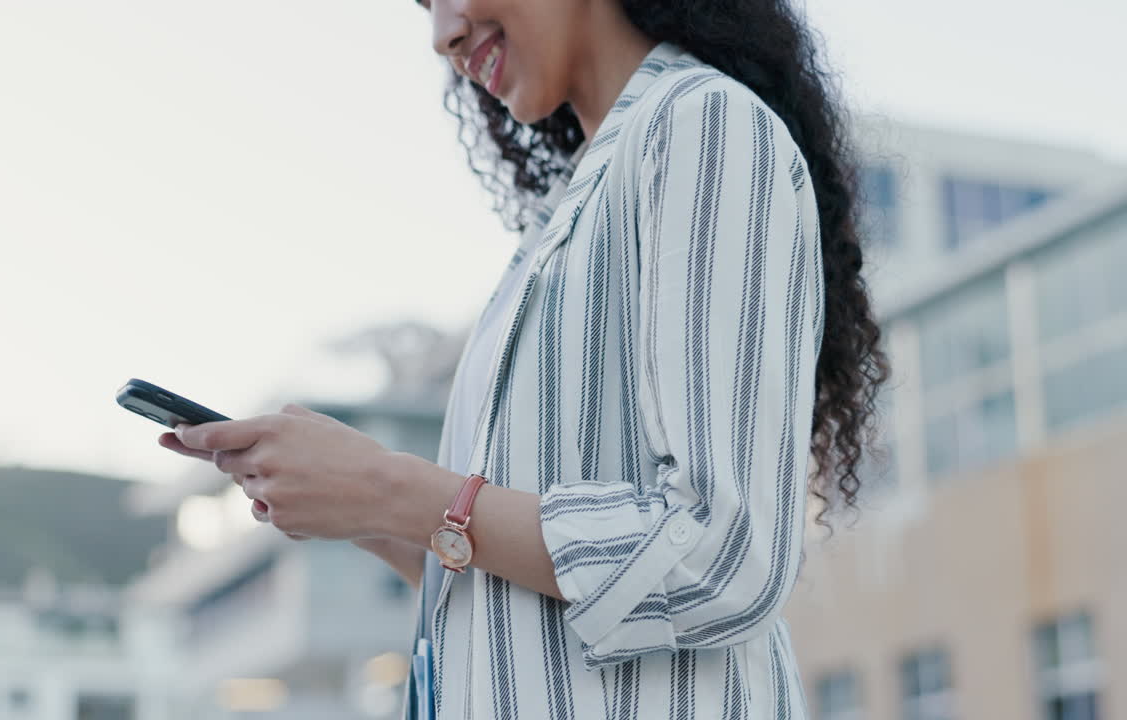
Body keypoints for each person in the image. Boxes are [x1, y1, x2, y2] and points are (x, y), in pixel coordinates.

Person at [162, 0, 890, 717]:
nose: (443, 33)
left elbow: (725, 557)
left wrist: (392, 487)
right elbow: (522, 600)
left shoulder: (703, 127)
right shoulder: (561, 216)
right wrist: (360, 507)